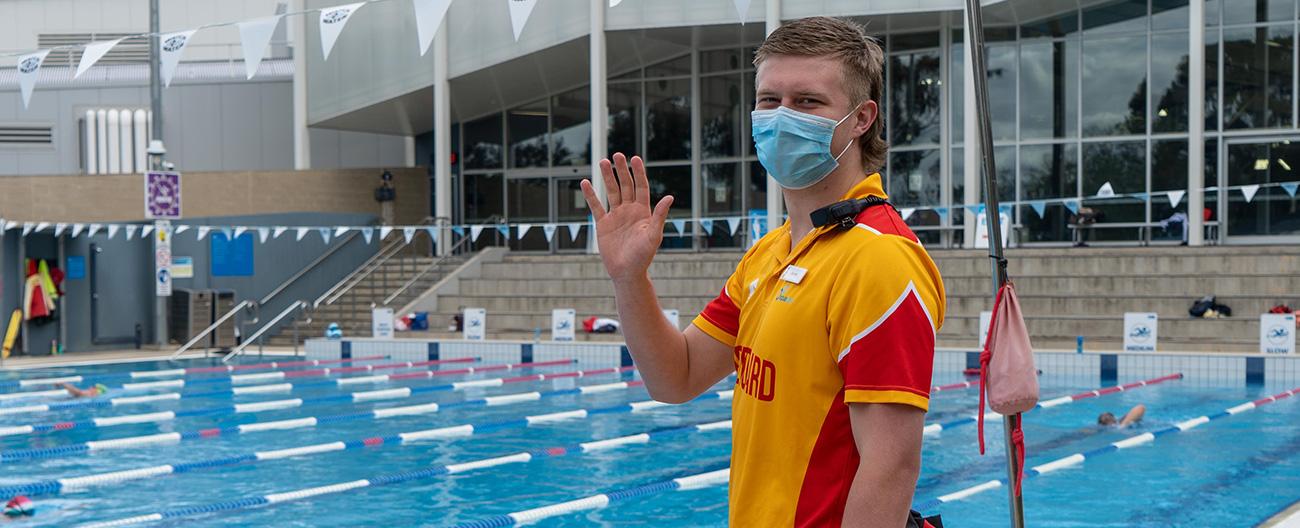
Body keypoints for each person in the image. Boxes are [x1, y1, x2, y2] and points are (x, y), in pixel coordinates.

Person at [579, 17, 945, 528]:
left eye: (808, 102)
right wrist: (629, 276)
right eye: (770, 100)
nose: (782, 116)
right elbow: (675, 377)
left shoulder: (879, 259)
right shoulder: (771, 252)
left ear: (861, 118)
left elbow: (890, 467)